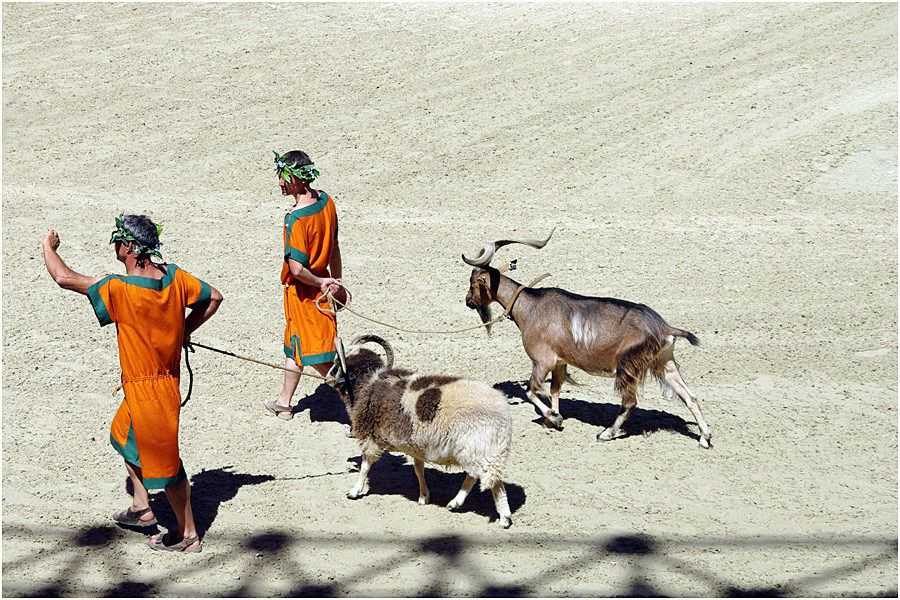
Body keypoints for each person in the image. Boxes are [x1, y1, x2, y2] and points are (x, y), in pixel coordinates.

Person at [42, 214, 223, 553]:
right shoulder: (175, 277)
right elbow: (213, 298)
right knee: (123, 436)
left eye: (116, 239)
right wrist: (184, 330)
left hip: (151, 391)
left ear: (128, 246)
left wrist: (48, 246)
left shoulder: (119, 289)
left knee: (168, 469)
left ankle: (188, 537)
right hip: (151, 385)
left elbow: (63, 277)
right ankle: (142, 506)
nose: (113, 244)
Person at [266, 150, 344, 421]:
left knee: (322, 358)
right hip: (320, 289)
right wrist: (337, 281)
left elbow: (297, 270)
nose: (280, 183)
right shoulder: (327, 202)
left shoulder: (296, 219)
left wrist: (323, 282)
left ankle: (359, 412)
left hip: (307, 294)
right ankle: (284, 403)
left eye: (285, 177)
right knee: (295, 346)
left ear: (300, 179)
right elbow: (334, 245)